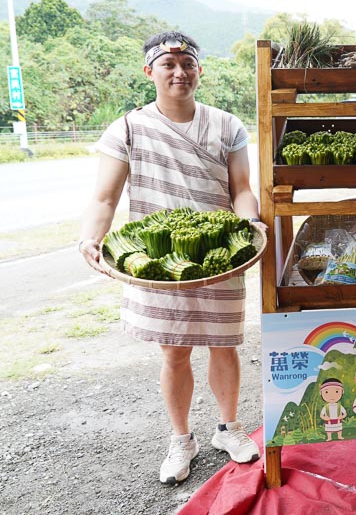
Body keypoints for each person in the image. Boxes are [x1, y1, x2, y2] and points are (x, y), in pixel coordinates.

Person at [78, 31, 263, 485]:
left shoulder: (226, 125)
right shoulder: (126, 128)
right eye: (168, 64)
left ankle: (229, 427)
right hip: (159, 264)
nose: (179, 72)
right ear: (150, 72)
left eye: (188, 63)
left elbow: (241, 189)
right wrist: (91, 237)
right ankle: (181, 438)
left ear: (200, 69)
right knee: (175, 351)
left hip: (222, 255)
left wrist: (251, 223)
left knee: (224, 344)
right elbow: (105, 196)